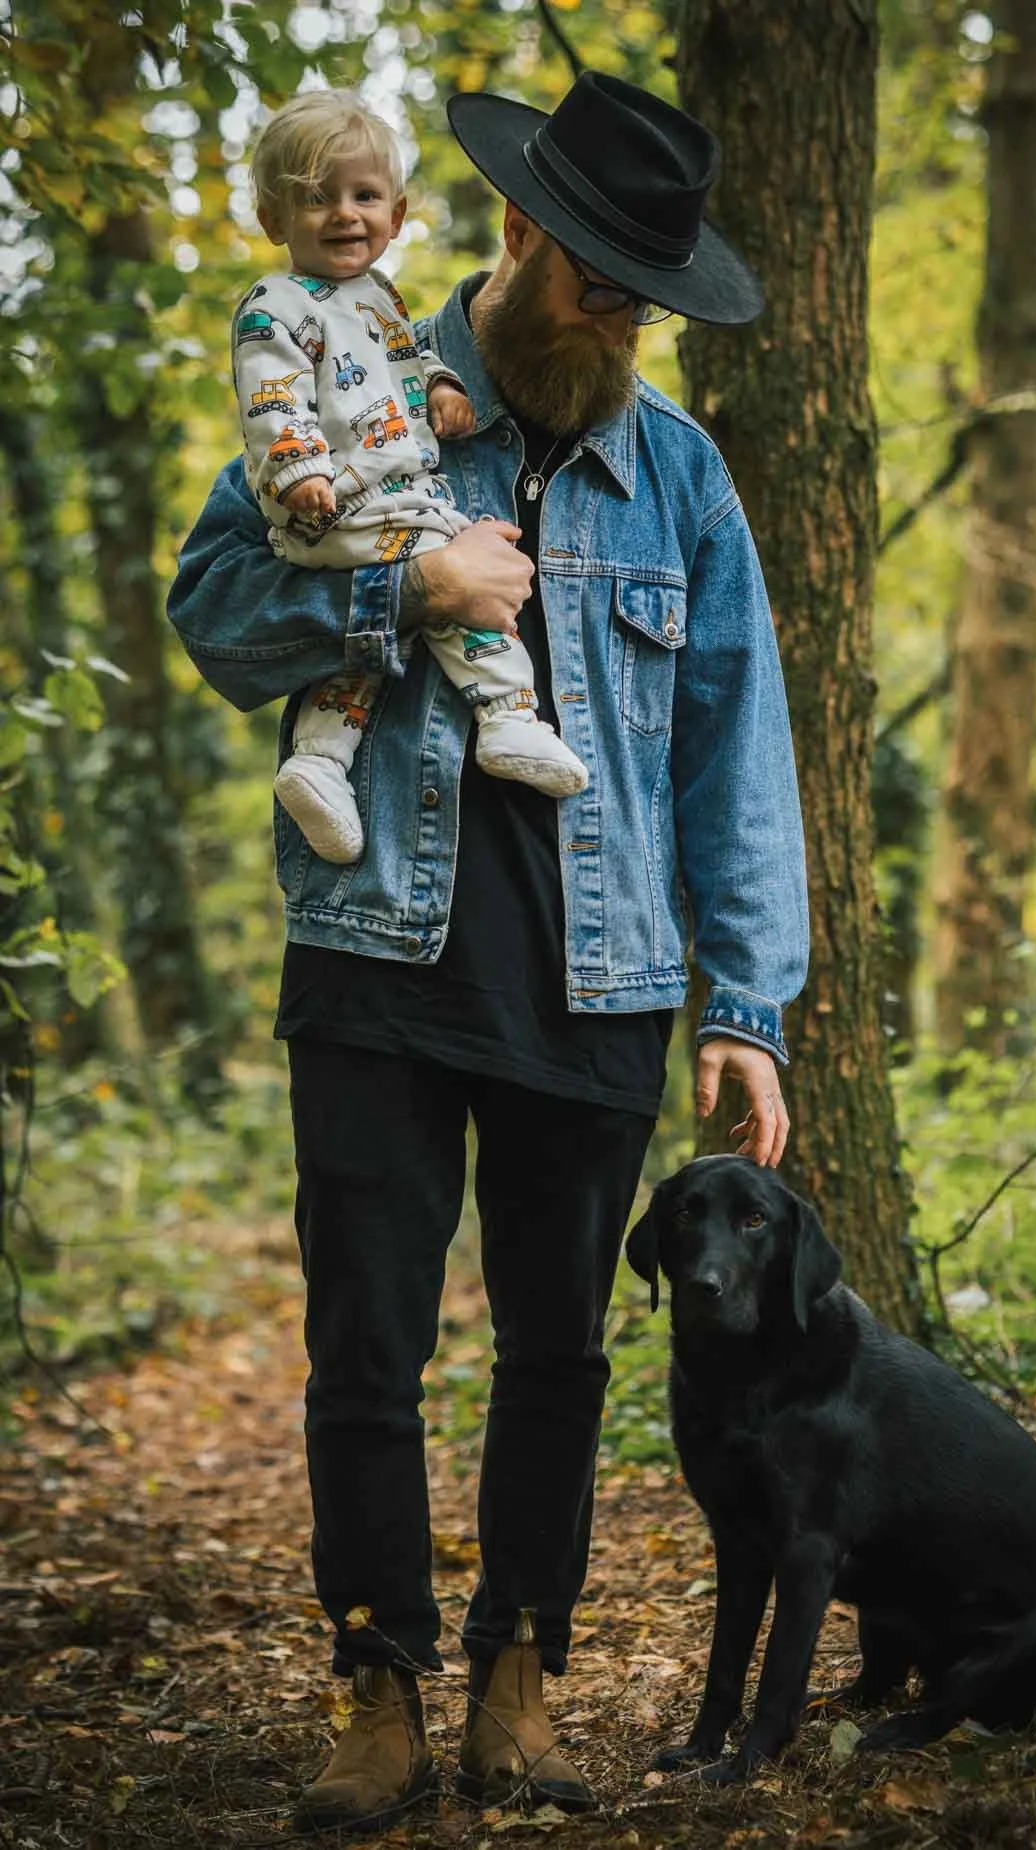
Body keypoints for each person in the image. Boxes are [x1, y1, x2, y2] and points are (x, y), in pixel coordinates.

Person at [169, 69, 809, 1835]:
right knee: (364, 1347)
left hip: (601, 975)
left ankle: (518, 1677)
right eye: (600, 273)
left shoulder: (676, 475)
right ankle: (373, 1682)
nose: (623, 315)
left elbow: (733, 753)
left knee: (559, 1354)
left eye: (648, 293)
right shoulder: (343, 379)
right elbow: (213, 611)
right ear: (520, 232)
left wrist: (746, 1005)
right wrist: (401, 594)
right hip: (379, 951)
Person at [236, 89, 587, 864]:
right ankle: (505, 711)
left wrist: (438, 388)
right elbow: (272, 393)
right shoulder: (278, 303)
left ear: (396, 217)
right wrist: (297, 467)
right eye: (315, 200)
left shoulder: (379, 300)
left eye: (363, 196)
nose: (343, 214)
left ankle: (321, 761)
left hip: (390, 492)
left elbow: (405, 360)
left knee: (383, 633)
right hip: (342, 496)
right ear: (272, 221)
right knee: (463, 568)